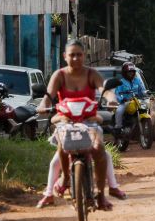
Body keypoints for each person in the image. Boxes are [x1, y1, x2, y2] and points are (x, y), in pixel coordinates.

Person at [37, 39, 111, 211]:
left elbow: (105, 91)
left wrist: (112, 100)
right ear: (65, 56)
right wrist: (42, 106)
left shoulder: (92, 74)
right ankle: (65, 179)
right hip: (67, 122)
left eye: (79, 55)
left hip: (88, 121)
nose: (76, 58)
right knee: (63, 144)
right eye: (72, 55)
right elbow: (48, 97)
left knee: (99, 148)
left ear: (84, 55)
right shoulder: (59, 75)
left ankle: (100, 194)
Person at [113, 62, 148, 135]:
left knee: (144, 108)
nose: (131, 73)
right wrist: (121, 99)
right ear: (125, 73)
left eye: (132, 72)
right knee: (119, 110)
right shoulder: (121, 82)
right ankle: (118, 127)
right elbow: (117, 93)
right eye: (129, 72)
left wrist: (145, 94)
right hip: (125, 101)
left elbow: (142, 90)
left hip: (137, 101)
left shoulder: (137, 80)